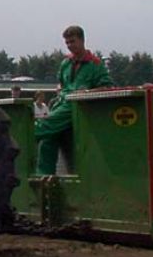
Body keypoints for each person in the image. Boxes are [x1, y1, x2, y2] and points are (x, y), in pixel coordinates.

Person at [34, 25, 113, 175]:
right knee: (48, 139)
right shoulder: (66, 63)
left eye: (72, 41)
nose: (70, 45)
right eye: (67, 43)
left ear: (82, 40)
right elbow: (61, 84)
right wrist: (60, 89)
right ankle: (44, 176)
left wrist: (88, 93)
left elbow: (108, 87)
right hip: (62, 102)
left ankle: (22, 136)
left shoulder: (95, 64)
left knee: (46, 126)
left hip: (78, 106)